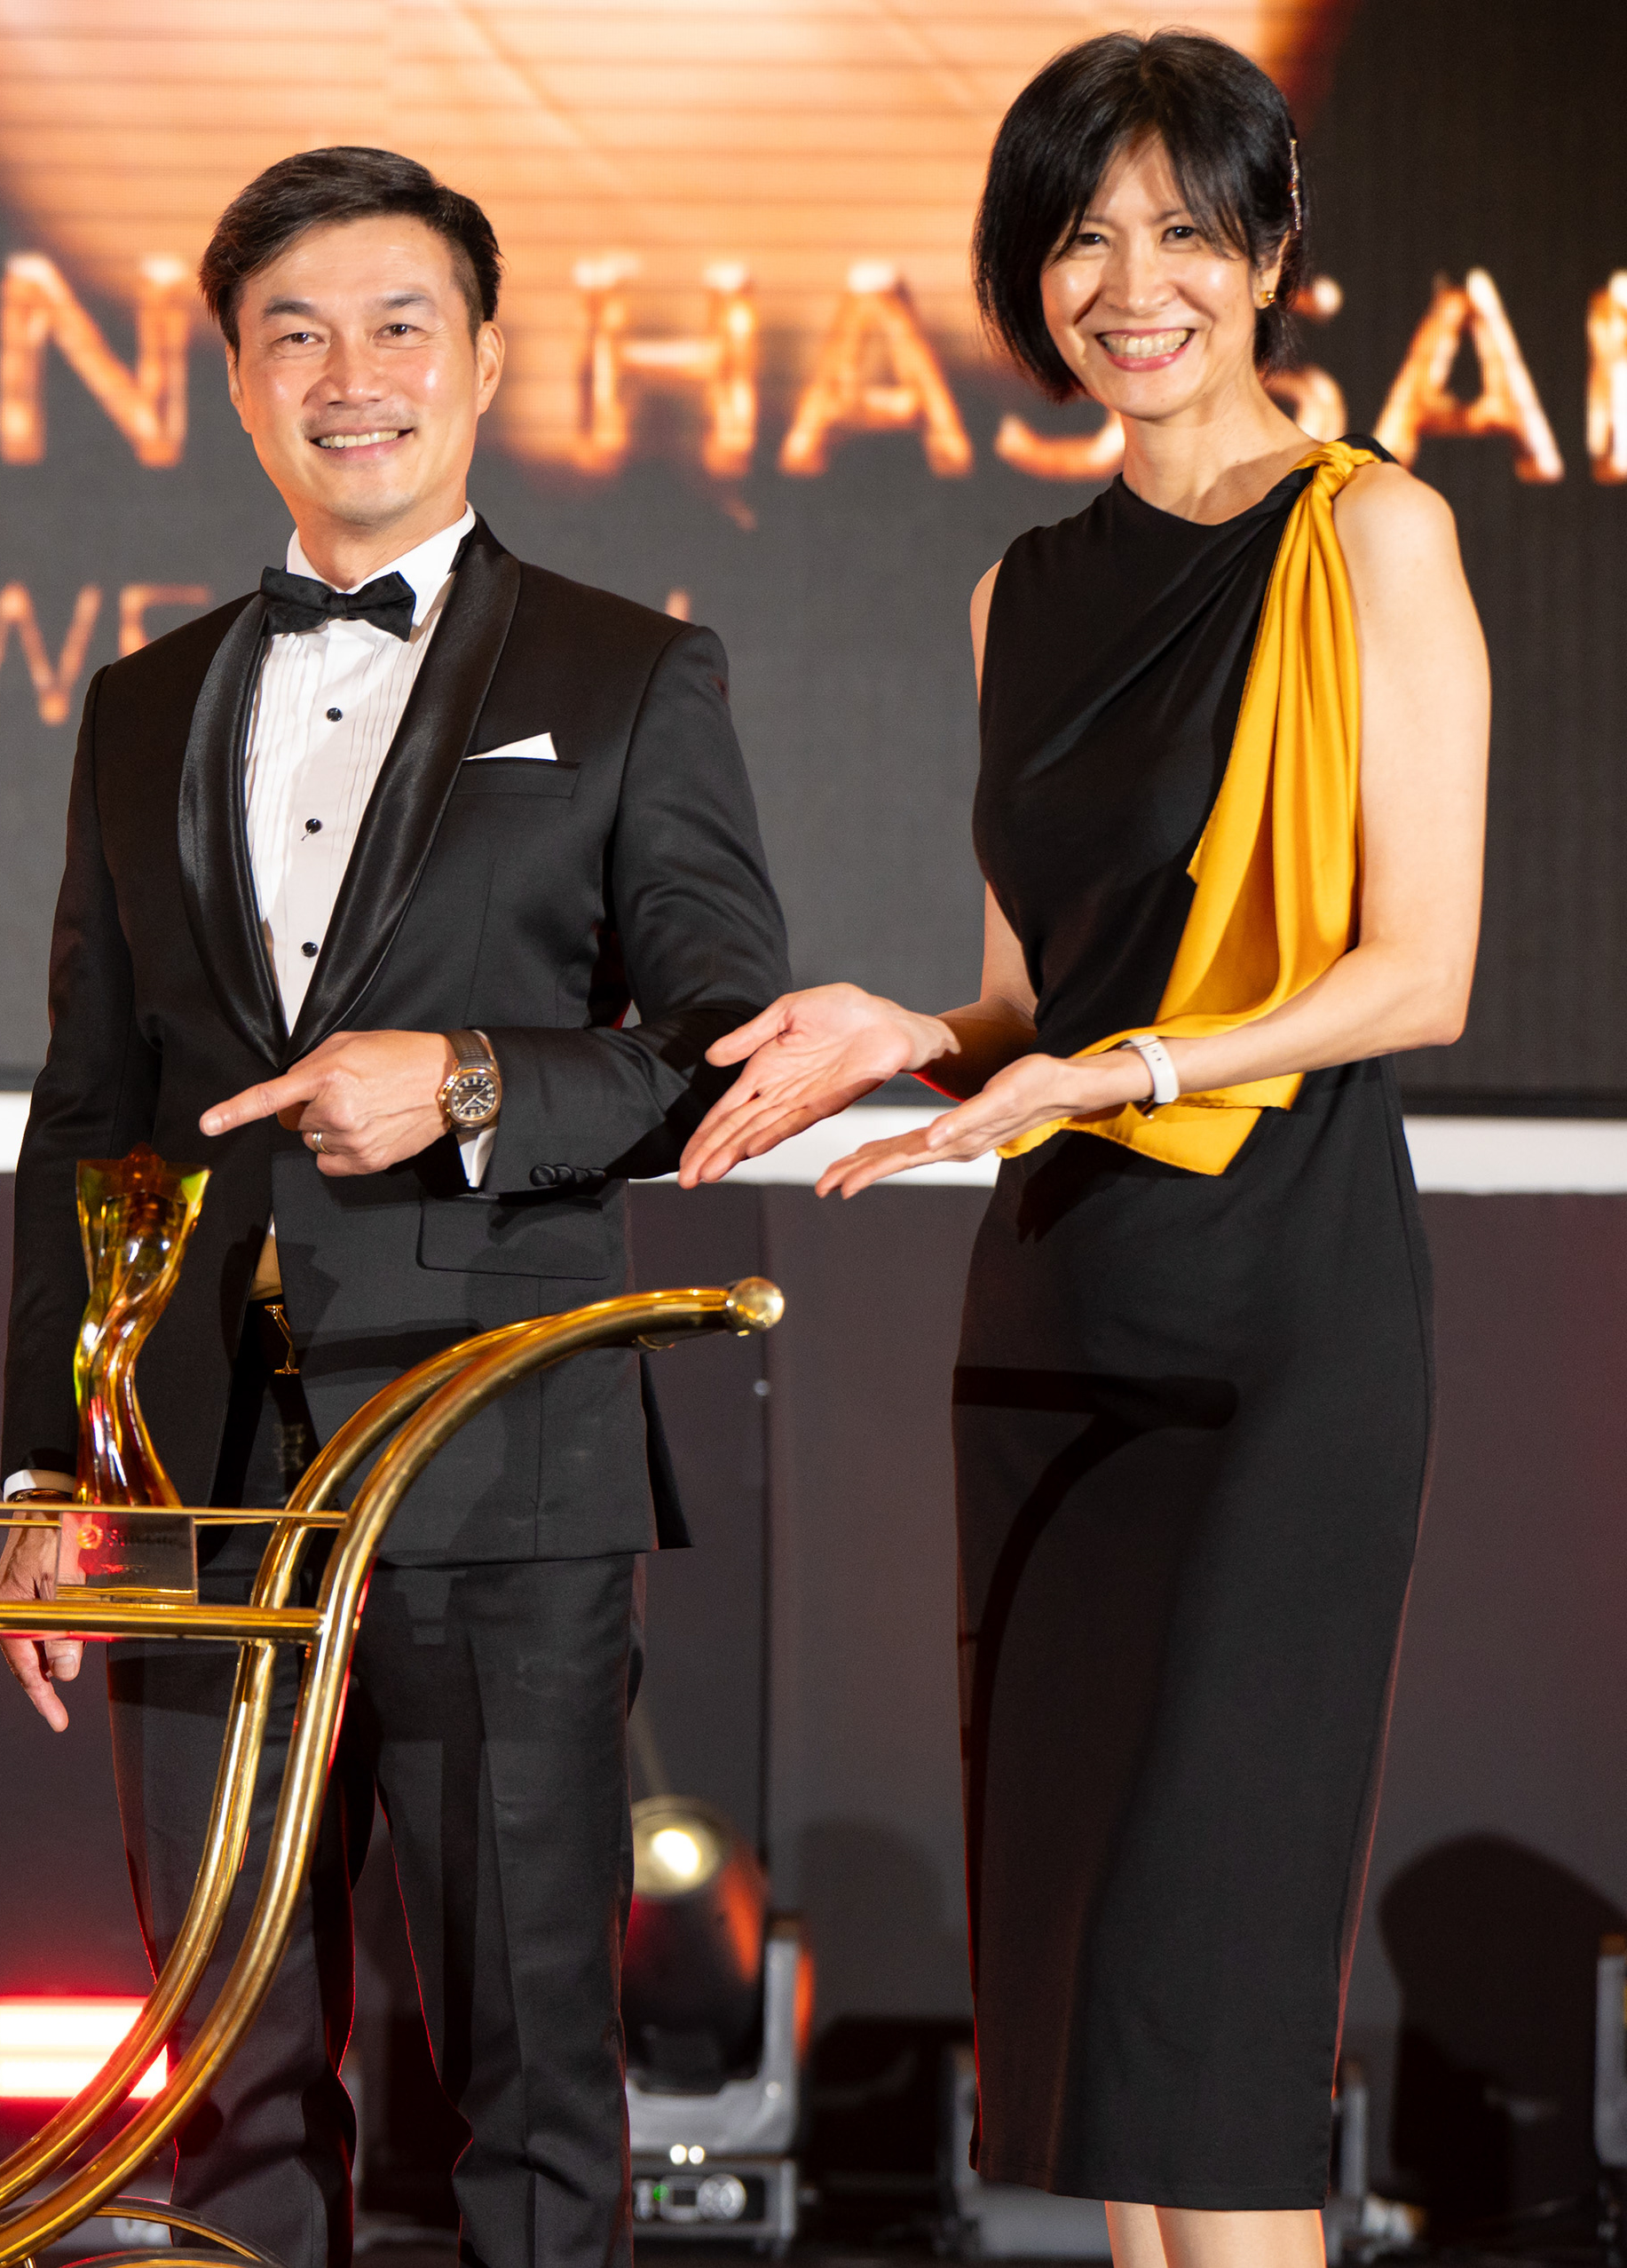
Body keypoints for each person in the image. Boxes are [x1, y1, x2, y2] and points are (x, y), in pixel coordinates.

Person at [675, 33, 1486, 2268]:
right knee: (1100, 2006)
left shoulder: (1372, 534)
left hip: (1278, 1321)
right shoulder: (1015, 590)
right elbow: (1033, 992)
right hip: (1054, 1312)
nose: (1134, 285)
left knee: (1211, 2007)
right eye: (1082, 239)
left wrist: (1111, 1075)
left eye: (1184, 233)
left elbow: (1419, 973)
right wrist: (917, 1034)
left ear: (1274, 252)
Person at [0, 146, 792, 2268]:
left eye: (399, 325)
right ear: (236, 380)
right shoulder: (141, 701)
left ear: (487, 359)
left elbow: (727, 1048)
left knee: (528, 2072)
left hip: (496, 1452)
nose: (351, 376)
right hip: (194, 1471)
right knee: (223, 2067)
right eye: (296, 335)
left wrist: (472, 1085)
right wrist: (52, 1462)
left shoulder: (629, 674)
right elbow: (91, 1113)